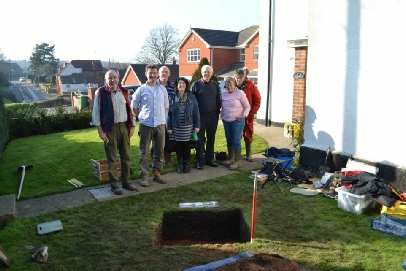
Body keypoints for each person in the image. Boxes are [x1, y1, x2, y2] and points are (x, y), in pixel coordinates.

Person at [91, 70, 138, 195]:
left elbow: (130, 110)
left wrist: (132, 126)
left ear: (118, 78)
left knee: (126, 157)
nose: (112, 80)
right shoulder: (100, 93)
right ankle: (115, 185)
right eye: (109, 78)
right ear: (105, 80)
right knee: (112, 158)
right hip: (109, 129)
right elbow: (96, 113)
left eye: (114, 77)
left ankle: (127, 182)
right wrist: (100, 131)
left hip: (124, 128)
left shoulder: (124, 91)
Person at [132, 64, 169, 187]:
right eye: (150, 73)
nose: (152, 75)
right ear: (146, 74)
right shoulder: (141, 90)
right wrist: (143, 117)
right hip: (146, 125)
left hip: (160, 124)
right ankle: (144, 176)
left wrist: (160, 118)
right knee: (144, 152)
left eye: (154, 73)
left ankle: (157, 173)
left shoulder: (162, 90)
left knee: (159, 151)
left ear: (157, 74)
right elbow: (134, 107)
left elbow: (165, 106)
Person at [191, 65, 221, 170]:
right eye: (205, 72)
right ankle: (200, 161)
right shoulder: (196, 84)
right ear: (201, 72)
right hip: (200, 117)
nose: (206, 74)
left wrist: (217, 112)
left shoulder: (215, 85)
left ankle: (209, 159)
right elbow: (192, 102)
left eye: (208, 72)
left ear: (212, 73)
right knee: (199, 139)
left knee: (211, 138)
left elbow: (218, 100)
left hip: (213, 116)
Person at [167, 77, 200, 173]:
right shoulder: (172, 97)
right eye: (179, 83)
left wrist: (197, 125)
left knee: (186, 146)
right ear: (177, 86)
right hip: (176, 126)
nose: (181, 85)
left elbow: (196, 112)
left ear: (186, 85)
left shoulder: (191, 96)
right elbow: (169, 113)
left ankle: (187, 164)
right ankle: (180, 164)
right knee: (178, 146)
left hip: (188, 126)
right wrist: (169, 127)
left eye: (183, 83)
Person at [220, 77, 251, 169]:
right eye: (228, 84)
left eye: (231, 84)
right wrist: (221, 114)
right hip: (226, 121)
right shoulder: (223, 94)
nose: (229, 86)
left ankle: (238, 161)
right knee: (229, 140)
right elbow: (220, 106)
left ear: (235, 85)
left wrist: (244, 115)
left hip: (237, 121)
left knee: (236, 141)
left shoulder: (240, 93)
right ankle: (231, 159)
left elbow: (247, 106)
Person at [235, 68, 261, 162]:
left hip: (248, 114)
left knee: (248, 132)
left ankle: (248, 154)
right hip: (236, 114)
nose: (239, 80)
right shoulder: (233, 86)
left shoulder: (251, 86)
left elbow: (257, 99)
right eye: (237, 78)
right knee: (236, 134)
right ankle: (236, 154)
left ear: (244, 77)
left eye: (241, 78)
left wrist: (252, 111)